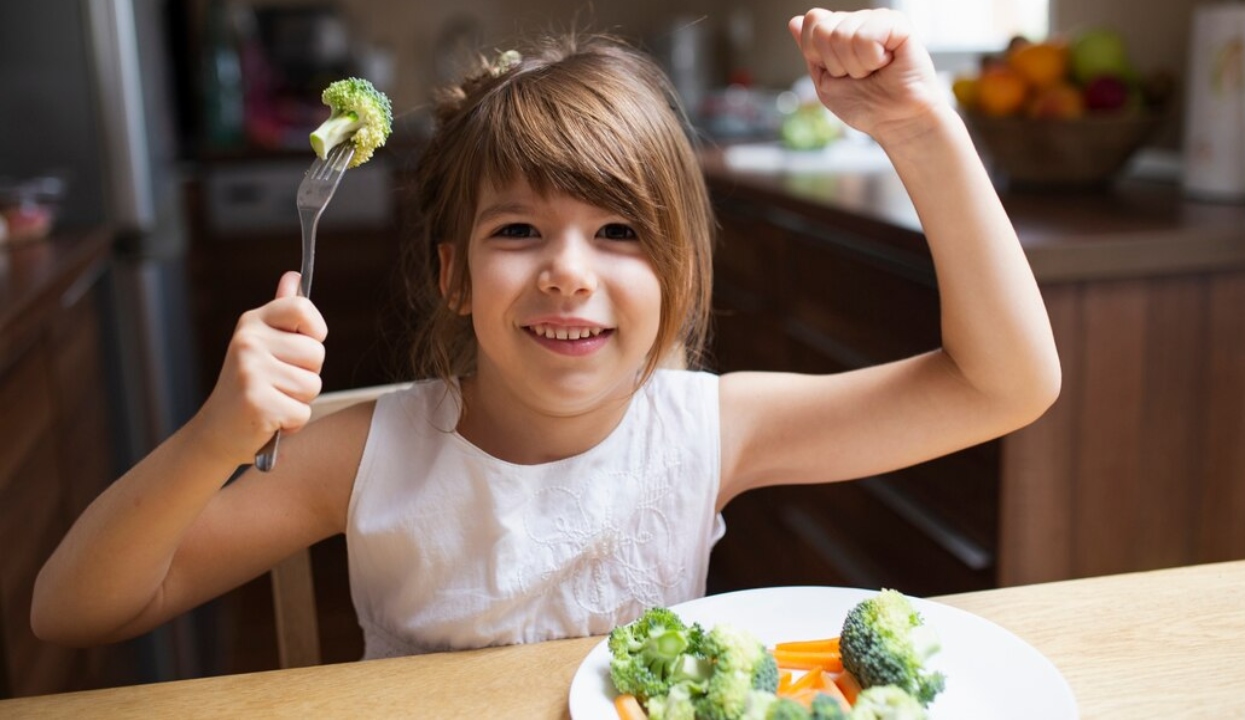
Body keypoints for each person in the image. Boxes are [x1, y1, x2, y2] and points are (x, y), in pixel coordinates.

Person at [32, 9, 1059, 659]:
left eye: (619, 233)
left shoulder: (710, 429)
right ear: (454, 278)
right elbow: (74, 613)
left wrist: (922, 130)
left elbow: (1001, 386)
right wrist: (217, 435)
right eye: (517, 231)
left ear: (677, 275)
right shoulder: (357, 457)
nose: (568, 268)